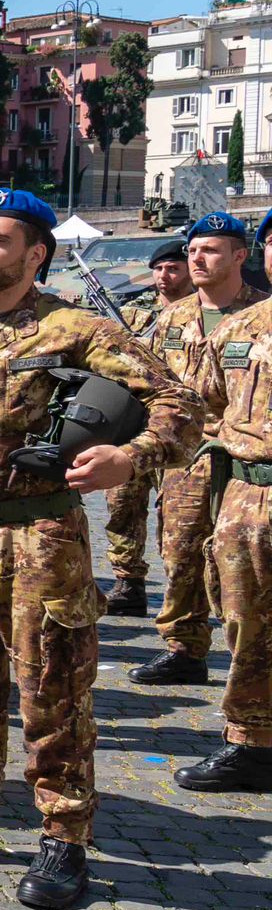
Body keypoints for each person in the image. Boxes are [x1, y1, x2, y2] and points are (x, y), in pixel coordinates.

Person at [0, 188, 196, 910]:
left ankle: (64, 838)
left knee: (53, 691)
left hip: (40, 533)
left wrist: (132, 457)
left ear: (36, 254)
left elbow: (180, 405)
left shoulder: (74, 329)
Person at [130, 213, 265, 687]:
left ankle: (246, 654)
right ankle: (184, 647)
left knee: (238, 561)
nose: (197, 258)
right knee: (180, 548)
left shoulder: (259, 314)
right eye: (192, 250)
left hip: (240, 458)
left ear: (239, 256)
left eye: (209, 250)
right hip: (185, 457)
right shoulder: (172, 318)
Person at [173, 212, 272, 791]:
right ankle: (252, 742)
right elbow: (198, 402)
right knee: (246, 619)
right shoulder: (240, 328)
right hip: (248, 493)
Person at [103, 238, 193, 615]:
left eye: (172, 268)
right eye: (158, 269)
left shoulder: (202, 314)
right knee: (122, 505)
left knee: (178, 516)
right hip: (135, 425)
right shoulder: (136, 313)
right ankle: (129, 583)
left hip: (181, 430)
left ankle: (187, 597)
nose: (163, 275)